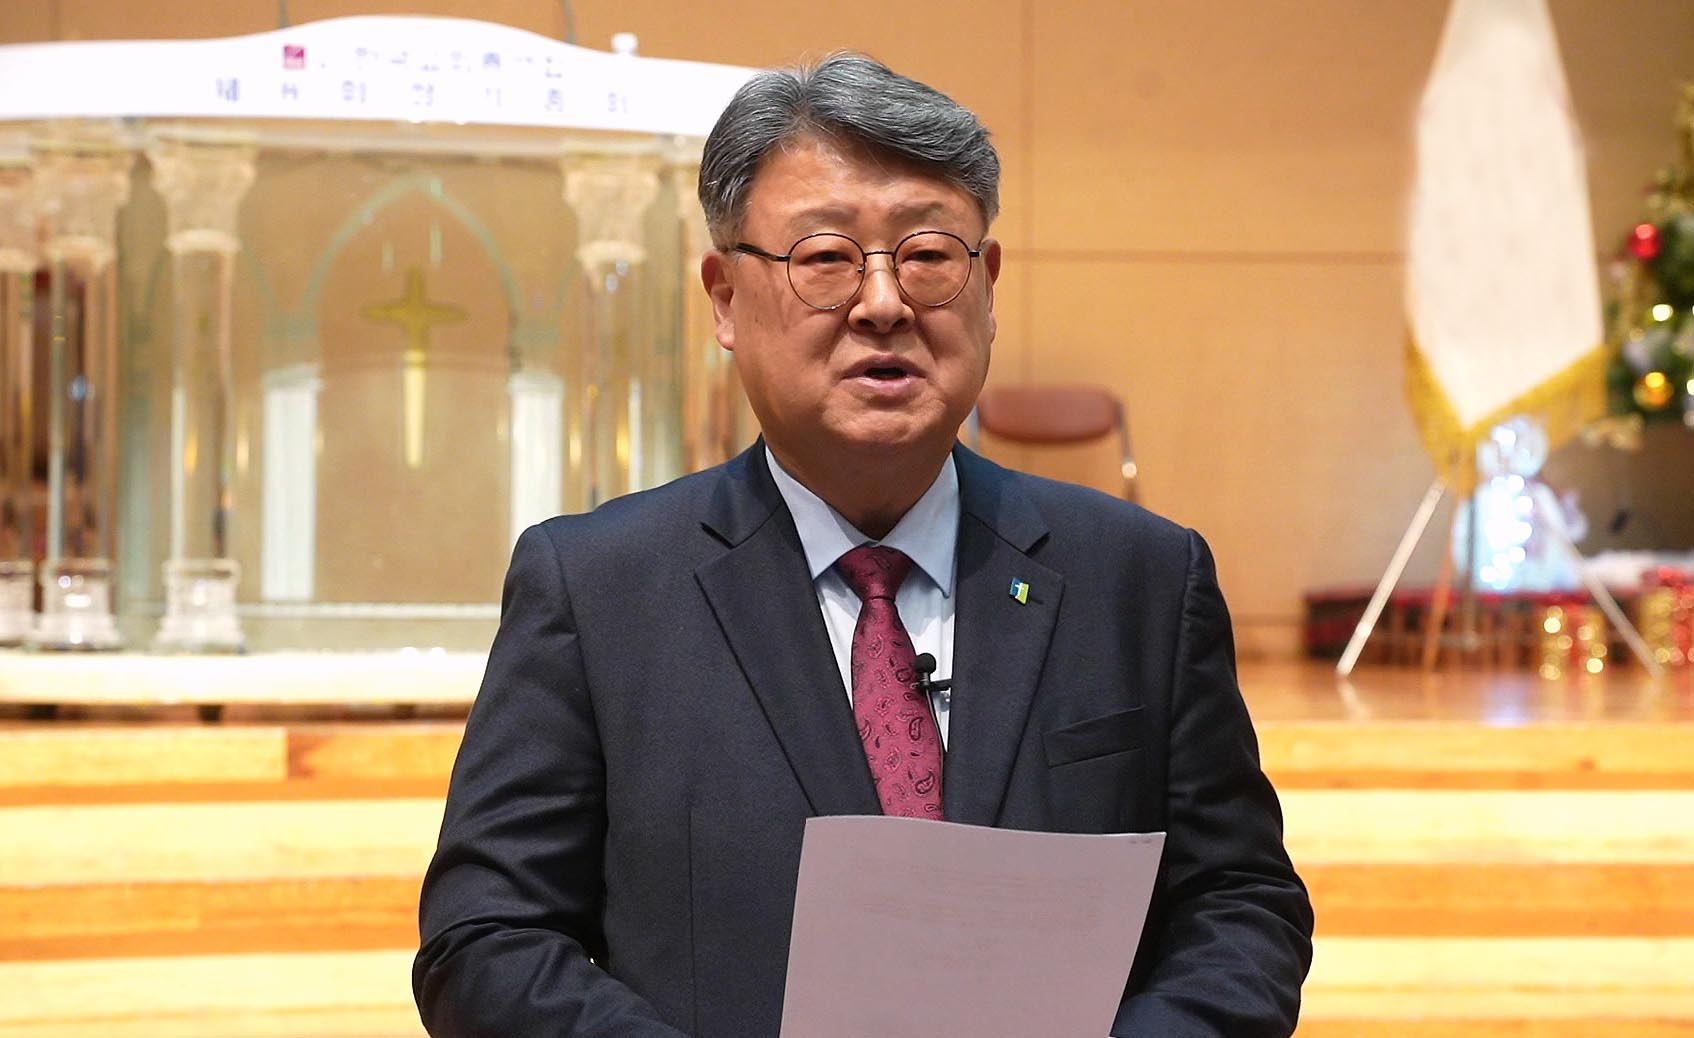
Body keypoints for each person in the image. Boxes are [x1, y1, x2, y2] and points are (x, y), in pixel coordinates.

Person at [414, 52, 1313, 1038]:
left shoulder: (1139, 579)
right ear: (724, 297)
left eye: (927, 254)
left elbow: (1239, 905)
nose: (883, 302)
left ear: (987, 286)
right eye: (825, 257)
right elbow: (486, 938)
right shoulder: (597, 591)